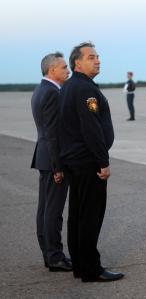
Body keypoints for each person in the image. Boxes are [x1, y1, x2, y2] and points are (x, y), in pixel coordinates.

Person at [58, 42, 123, 282]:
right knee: (90, 216)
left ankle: (80, 265)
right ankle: (91, 269)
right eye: (91, 57)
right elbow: (91, 129)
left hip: (75, 160)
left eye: (98, 56)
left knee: (78, 214)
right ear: (78, 62)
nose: (97, 60)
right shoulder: (84, 89)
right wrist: (102, 162)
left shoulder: (70, 85)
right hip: (87, 162)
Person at [31, 52, 72, 272]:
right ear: (52, 70)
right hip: (53, 158)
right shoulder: (53, 93)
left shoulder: (40, 90)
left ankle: (49, 254)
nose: (68, 70)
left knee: (45, 209)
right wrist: (58, 166)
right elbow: (53, 132)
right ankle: (55, 256)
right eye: (64, 67)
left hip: (44, 156)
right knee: (53, 211)